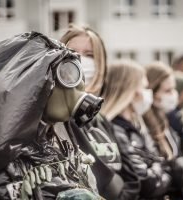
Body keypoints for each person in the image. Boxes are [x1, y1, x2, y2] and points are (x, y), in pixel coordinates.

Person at [0, 32, 104, 199]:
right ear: (33, 87)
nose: (77, 86)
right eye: (65, 75)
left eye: (75, 74)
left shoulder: (57, 143)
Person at [60, 24, 140, 199]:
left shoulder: (101, 118)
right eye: (73, 53)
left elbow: (132, 181)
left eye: (90, 55)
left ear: (101, 64)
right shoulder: (53, 121)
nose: (81, 60)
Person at [101, 59, 174, 199]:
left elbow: (160, 163)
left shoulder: (136, 125)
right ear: (129, 90)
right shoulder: (115, 129)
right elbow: (147, 184)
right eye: (144, 87)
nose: (148, 93)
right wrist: (158, 169)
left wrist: (157, 168)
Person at [142, 61, 183, 198]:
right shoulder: (144, 124)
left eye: (174, 89)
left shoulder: (162, 117)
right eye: (167, 90)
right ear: (151, 91)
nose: (174, 94)